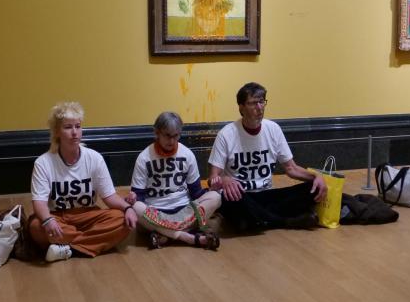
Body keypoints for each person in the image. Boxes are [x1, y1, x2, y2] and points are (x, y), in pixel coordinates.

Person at [207, 82, 327, 232]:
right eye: (253, 103)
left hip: (266, 194)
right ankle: (286, 221)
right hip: (242, 196)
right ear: (241, 107)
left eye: (262, 101)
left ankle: (259, 220)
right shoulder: (226, 134)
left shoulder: (273, 129)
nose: (259, 107)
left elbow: (291, 168)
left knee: (313, 188)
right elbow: (212, 179)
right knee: (229, 200)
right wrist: (224, 180)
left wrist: (316, 176)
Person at [28, 102, 136, 262]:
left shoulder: (94, 158)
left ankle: (67, 248)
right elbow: (39, 203)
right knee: (36, 226)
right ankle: (90, 243)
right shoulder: (43, 163)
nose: (74, 133)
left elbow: (109, 197)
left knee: (121, 220)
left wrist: (128, 208)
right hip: (59, 217)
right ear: (57, 132)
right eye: (68, 127)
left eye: (78, 126)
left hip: (89, 214)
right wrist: (48, 220)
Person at [126, 112, 221, 250]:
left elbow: (196, 193)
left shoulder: (187, 154)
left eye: (175, 136)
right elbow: (138, 196)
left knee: (216, 197)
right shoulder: (144, 158)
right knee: (136, 207)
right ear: (157, 133)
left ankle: (165, 235)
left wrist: (212, 190)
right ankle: (188, 237)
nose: (171, 141)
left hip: (184, 210)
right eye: (167, 135)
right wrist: (133, 197)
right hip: (156, 213)